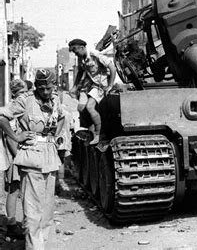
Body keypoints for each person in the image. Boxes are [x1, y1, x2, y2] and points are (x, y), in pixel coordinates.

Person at [0, 69, 66, 250]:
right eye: (42, 88)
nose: (45, 92)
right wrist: (16, 136)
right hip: (31, 159)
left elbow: (61, 117)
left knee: (47, 212)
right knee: (32, 213)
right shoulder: (25, 100)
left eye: (49, 88)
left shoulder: (56, 99)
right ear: (36, 86)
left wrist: (56, 135)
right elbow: (2, 117)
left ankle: (43, 246)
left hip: (50, 158)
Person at [68, 38, 116, 145]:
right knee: (81, 107)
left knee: (90, 107)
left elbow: (112, 68)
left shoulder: (95, 55)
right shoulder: (81, 58)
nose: (76, 54)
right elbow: (80, 71)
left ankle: (98, 135)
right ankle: (90, 130)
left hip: (100, 85)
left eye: (76, 51)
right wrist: (75, 86)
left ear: (82, 47)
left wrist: (110, 85)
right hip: (90, 84)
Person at [1, 79, 28, 240]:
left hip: (16, 154)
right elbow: (10, 136)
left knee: (16, 189)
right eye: (22, 92)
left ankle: (14, 224)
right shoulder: (14, 107)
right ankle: (11, 225)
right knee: (15, 190)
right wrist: (18, 155)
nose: (25, 95)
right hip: (15, 155)